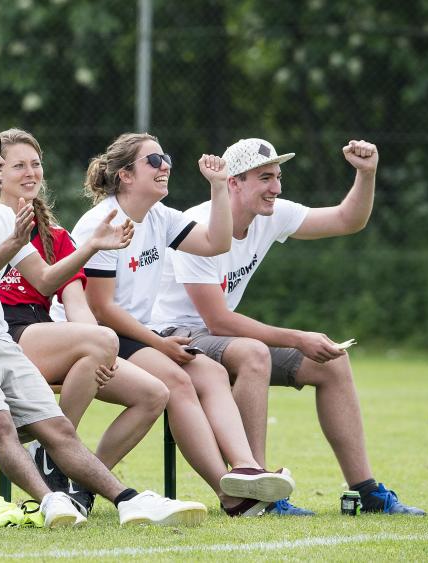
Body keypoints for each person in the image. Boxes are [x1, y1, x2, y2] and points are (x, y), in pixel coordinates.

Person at [0, 120, 206, 528]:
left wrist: (91, 246)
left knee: (60, 431)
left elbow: (47, 279)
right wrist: (13, 243)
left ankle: (130, 501)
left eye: (0, 154)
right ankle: (51, 501)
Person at [151, 137, 426, 516]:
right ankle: (259, 491)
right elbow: (218, 320)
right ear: (233, 182)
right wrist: (298, 337)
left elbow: (349, 220)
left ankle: (368, 492)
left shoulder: (271, 213)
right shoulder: (200, 224)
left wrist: (367, 173)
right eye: (265, 178)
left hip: (216, 336)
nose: (276, 188)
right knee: (253, 353)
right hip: (175, 335)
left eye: (278, 177)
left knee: (332, 362)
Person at [68, 132, 296, 517]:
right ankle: (229, 496)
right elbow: (101, 309)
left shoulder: (159, 217)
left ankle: (245, 471)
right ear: (125, 175)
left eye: (166, 157)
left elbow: (217, 243)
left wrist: (219, 188)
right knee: (175, 382)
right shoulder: (102, 221)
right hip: (92, 335)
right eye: (154, 161)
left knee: (209, 373)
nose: (166, 166)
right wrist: (160, 345)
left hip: (129, 332)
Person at [0, 128, 169, 516]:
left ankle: (78, 479)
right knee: (99, 343)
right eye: (17, 165)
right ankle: (55, 451)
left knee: (153, 394)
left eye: (35, 164)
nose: (30, 172)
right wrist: (100, 343)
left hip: (44, 333)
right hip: (3, 335)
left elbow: (76, 305)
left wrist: (101, 348)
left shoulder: (56, 236)